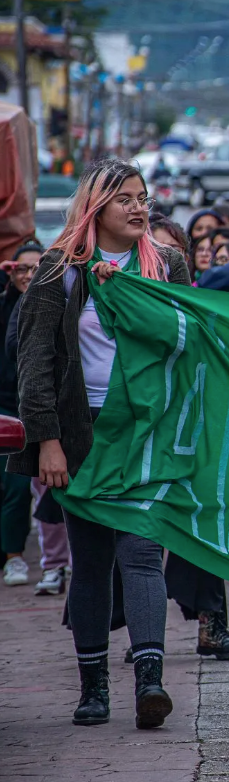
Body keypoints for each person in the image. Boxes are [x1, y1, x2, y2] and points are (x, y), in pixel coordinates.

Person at [12, 158, 191, 728]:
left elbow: (191, 344)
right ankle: (93, 687)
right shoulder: (59, 271)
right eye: (125, 200)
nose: (140, 207)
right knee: (89, 561)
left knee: (141, 552)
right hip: (82, 431)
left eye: (143, 197)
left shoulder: (167, 265)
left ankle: (149, 681)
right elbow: (34, 363)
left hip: (147, 431)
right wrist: (47, 442)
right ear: (96, 208)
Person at [1, 243, 43, 587]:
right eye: (21, 269)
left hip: (31, 408)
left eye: (36, 268)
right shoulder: (4, 304)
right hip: (3, 406)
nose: (28, 275)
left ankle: (15, 556)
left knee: (19, 487)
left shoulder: (52, 301)